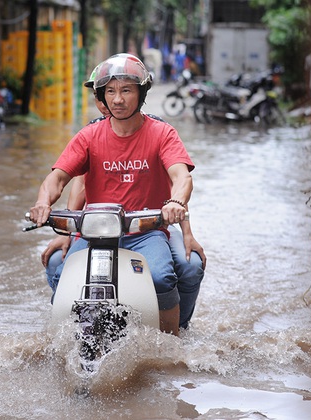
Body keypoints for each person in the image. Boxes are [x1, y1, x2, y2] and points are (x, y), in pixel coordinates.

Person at [29, 53, 199, 335]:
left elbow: (181, 176)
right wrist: (42, 203)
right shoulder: (88, 136)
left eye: (126, 90)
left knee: (162, 276)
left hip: (146, 231)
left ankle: (173, 342)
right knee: (57, 268)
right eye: (110, 91)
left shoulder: (163, 133)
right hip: (94, 232)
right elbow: (58, 178)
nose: (117, 99)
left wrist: (176, 202)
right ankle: (64, 337)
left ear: (141, 93)